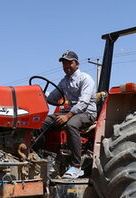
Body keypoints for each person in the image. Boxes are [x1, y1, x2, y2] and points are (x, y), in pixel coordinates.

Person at [40, 50, 97, 179]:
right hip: (70, 110)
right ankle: (39, 155)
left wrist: (67, 116)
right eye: (64, 63)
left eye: (69, 63)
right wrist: (40, 94)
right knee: (42, 122)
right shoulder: (64, 81)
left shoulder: (85, 78)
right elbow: (53, 98)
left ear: (77, 64)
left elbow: (83, 102)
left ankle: (76, 166)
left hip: (87, 112)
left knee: (71, 124)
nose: (66, 66)